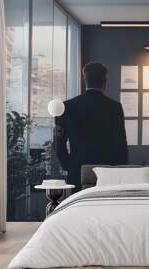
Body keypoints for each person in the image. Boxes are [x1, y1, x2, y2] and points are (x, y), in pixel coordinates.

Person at [55, 61, 128, 192]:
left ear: (84, 79)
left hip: (77, 171)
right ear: (105, 80)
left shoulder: (67, 106)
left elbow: (59, 143)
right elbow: (121, 145)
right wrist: (119, 172)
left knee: (79, 209)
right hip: (107, 173)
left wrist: (69, 165)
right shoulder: (114, 107)